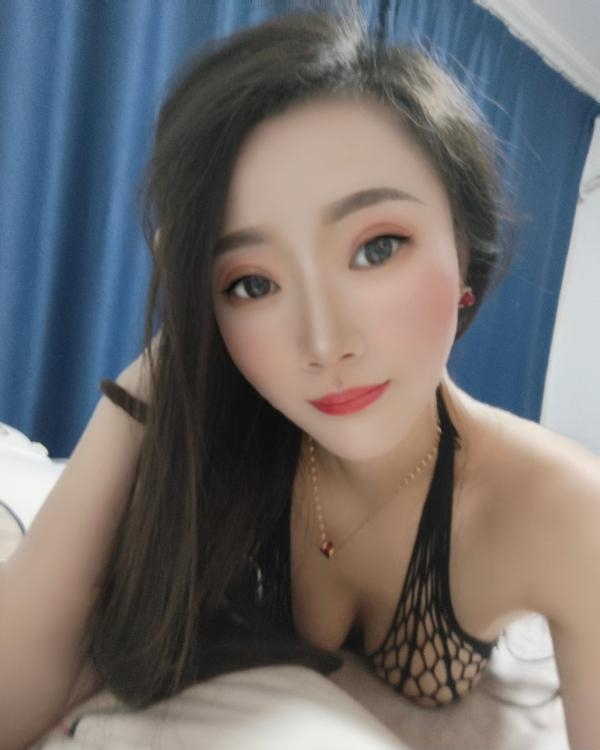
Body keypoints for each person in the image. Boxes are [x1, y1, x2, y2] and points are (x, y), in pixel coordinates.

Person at [1, 6, 598, 749]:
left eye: (377, 247)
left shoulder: (565, 510)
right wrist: (173, 355)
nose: (322, 343)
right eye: (251, 283)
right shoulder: (220, 430)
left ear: (464, 257)